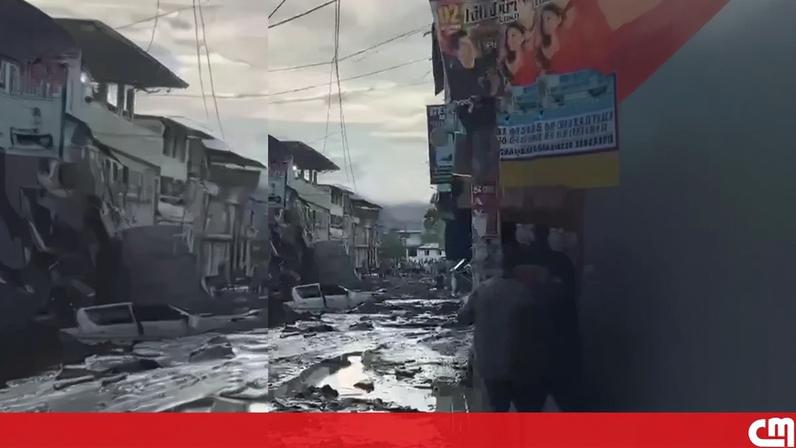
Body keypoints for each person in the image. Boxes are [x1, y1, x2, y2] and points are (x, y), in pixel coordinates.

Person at [457, 252, 552, 412]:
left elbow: (463, 318)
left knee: (498, 410)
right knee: (527, 412)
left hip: (491, 364)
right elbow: (539, 328)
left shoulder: (482, 291)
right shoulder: (526, 292)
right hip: (521, 364)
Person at [522, 224, 583, 411]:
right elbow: (573, 294)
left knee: (533, 404)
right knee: (566, 398)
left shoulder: (524, 262)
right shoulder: (561, 261)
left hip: (536, 346)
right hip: (560, 343)